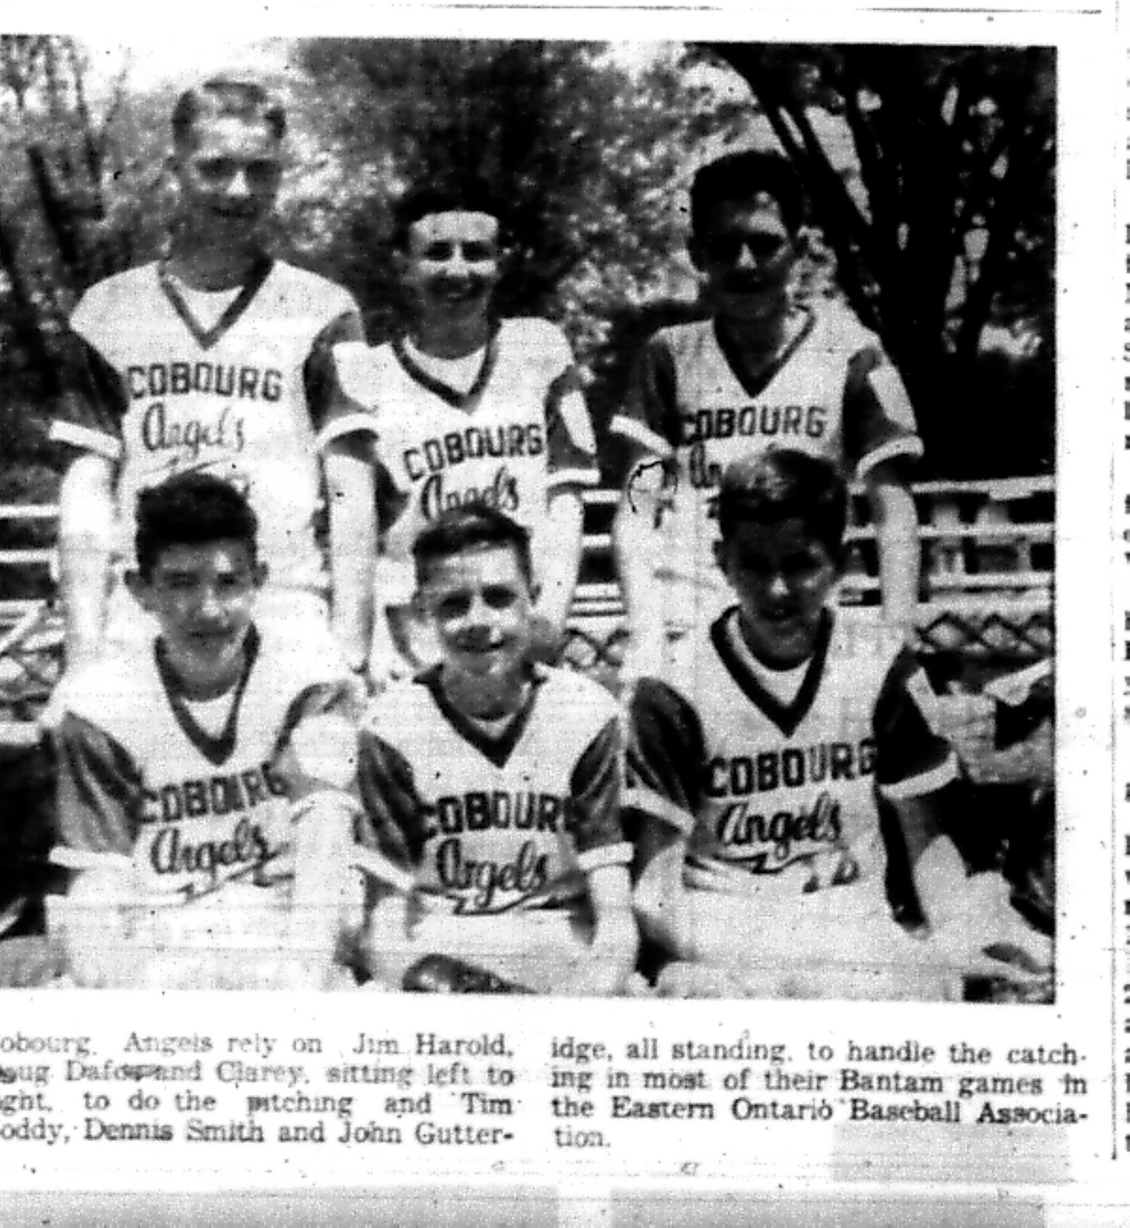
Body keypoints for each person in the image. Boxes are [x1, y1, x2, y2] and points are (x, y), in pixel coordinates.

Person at [625, 450, 1051, 1000]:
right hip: (723, 925)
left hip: (848, 919)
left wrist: (952, 936)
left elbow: (928, 843)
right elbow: (653, 893)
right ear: (721, 560)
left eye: (801, 563)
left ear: (843, 561)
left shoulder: (879, 665)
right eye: (754, 564)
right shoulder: (673, 686)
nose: (777, 589)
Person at [50, 76, 372, 676]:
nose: (238, 189)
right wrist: (82, 653)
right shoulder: (107, 310)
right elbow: (87, 486)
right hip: (147, 604)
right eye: (215, 167)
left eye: (260, 170)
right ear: (176, 169)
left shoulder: (326, 309)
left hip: (279, 601)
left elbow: (351, 486)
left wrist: (350, 645)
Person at [610, 150, 922, 676]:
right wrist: (645, 636)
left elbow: (893, 507)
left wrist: (897, 633)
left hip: (799, 611)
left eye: (764, 244)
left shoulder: (849, 351)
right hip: (690, 616)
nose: (745, 264)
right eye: (724, 247)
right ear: (696, 254)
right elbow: (638, 507)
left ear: (799, 249)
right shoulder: (669, 354)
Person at [49, 473, 363, 990]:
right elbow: (99, 884)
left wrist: (299, 978)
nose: (208, 609)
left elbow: (323, 845)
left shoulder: (308, 682)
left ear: (258, 579)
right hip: (159, 935)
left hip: (283, 924)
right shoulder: (102, 706)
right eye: (181, 583)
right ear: (139, 590)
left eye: (228, 582)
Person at [354, 506, 637, 995]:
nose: (478, 621)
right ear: (421, 610)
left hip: (558, 942)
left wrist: (586, 998)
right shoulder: (391, 725)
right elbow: (383, 934)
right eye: (454, 604)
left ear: (535, 598)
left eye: (500, 598)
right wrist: (451, 987)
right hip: (443, 949)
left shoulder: (586, 713)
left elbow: (616, 923)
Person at [329, 185, 599, 684]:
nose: (457, 270)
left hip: (518, 625)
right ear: (403, 264)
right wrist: (369, 650)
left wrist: (548, 621)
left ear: (502, 262)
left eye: (475, 253)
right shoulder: (366, 374)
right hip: (416, 636)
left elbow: (565, 499)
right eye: (436, 253)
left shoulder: (538, 349)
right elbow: (357, 527)